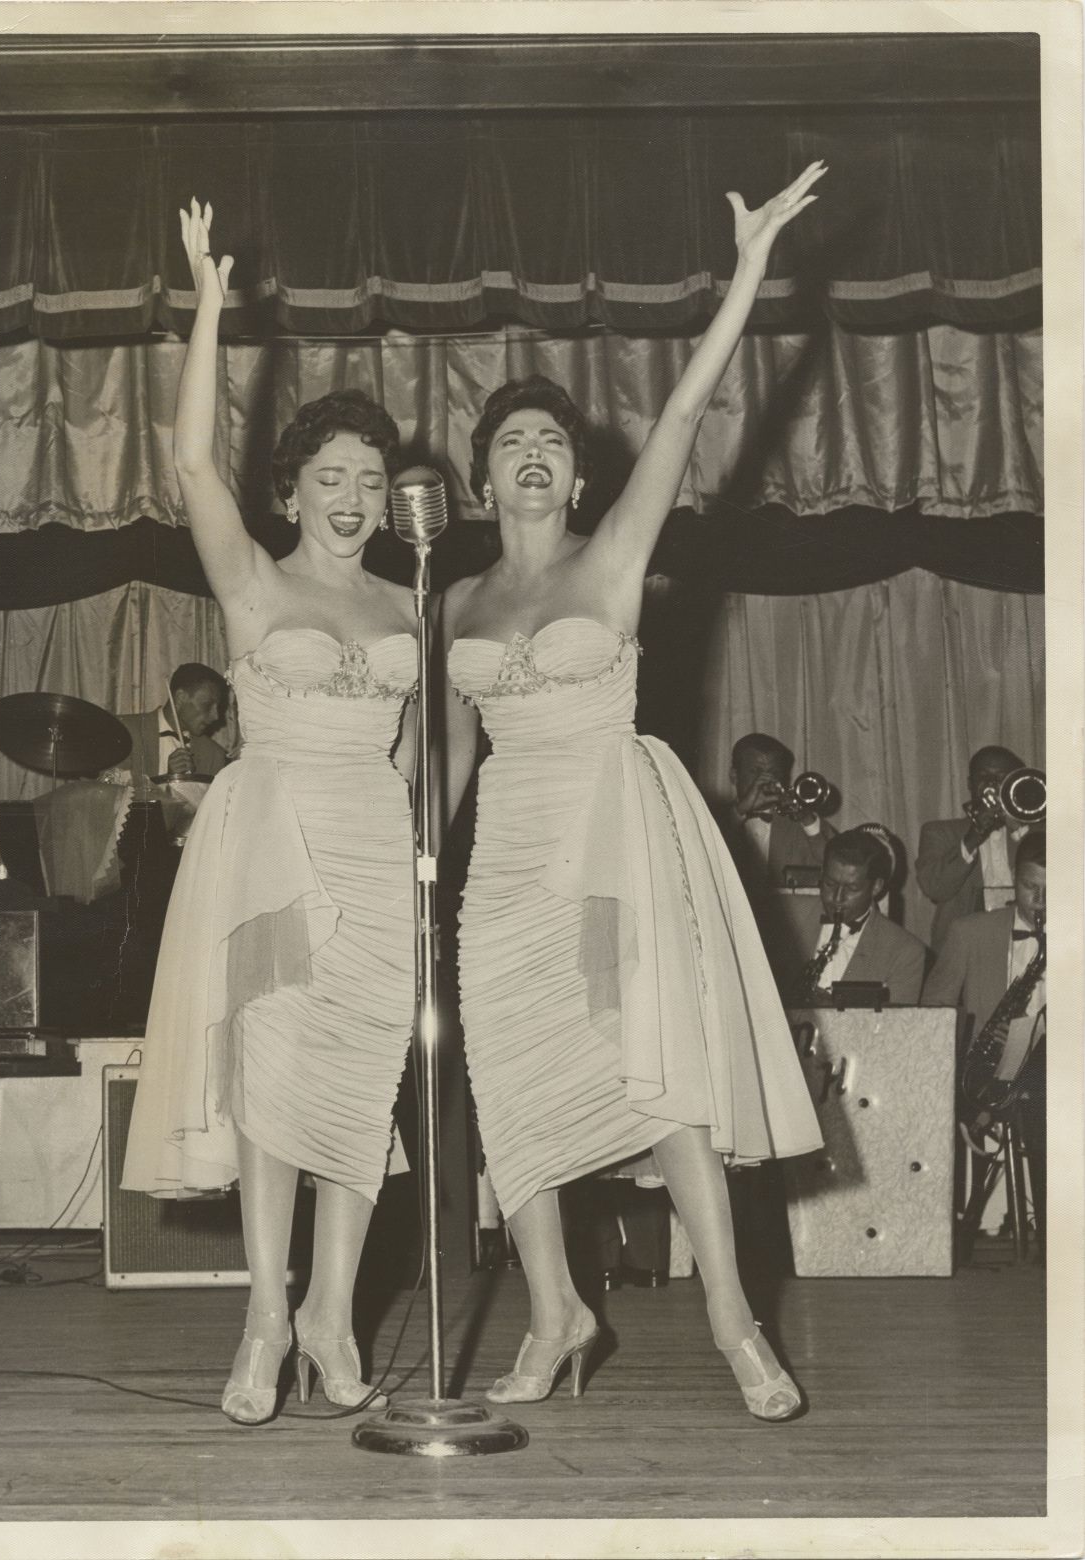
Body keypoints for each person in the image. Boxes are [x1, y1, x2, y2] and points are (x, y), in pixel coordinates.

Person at [442, 162, 828, 1422]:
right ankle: (558, 1309)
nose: (538, 454)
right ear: (482, 483)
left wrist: (752, 273)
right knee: (509, 1077)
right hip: (505, 857)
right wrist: (417, 872)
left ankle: (732, 1321)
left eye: (554, 441)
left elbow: (683, 418)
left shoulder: (614, 560)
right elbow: (449, 758)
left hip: (610, 840)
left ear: (577, 476)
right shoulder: (453, 603)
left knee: (656, 1076)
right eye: (514, 443)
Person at [121, 198, 419, 1426]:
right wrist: (206, 307)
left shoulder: (413, 609)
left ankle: (332, 1317)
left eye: (369, 479)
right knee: (273, 1077)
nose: (351, 495)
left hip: (377, 849)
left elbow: (439, 751)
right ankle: (263, 1313)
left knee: (360, 1081)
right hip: (272, 846)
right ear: (291, 490)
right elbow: (192, 462)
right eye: (329, 476)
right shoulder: (252, 584)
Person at [923, 830, 1046, 1258]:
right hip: (987, 1073)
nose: (1042, 903)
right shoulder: (969, 932)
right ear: (1015, 880)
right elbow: (934, 1010)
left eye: (1055, 892)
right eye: (1032, 888)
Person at [915, 745, 1028, 952]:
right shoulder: (938, 832)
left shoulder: (1036, 832)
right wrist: (973, 836)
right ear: (970, 783)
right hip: (965, 948)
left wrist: (1018, 829)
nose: (992, 784)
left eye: (1001, 777)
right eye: (983, 776)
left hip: (1025, 940)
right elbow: (935, 889)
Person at [799, 830, 928, 1005]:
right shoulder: (785, 915)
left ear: (876, 887)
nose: (837, 898)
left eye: (852, 889)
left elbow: (896, 1029)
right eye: (830, 884)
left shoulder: (905, 952)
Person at [726, 733, 833, 898]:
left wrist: (807, 819)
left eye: (774, 773)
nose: (765, 780)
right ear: (734, 775)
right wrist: (739, 811)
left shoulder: (802, 824)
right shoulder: (713, 819)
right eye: (755, 771)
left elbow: (837, 868)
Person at [115, 663, 230, 787]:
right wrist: (166, 781)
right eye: (207, 705)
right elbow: (112, 794)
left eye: (217, 707)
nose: (215, 716)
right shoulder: (124, 730)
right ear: (180, 698)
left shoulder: (214, 755)